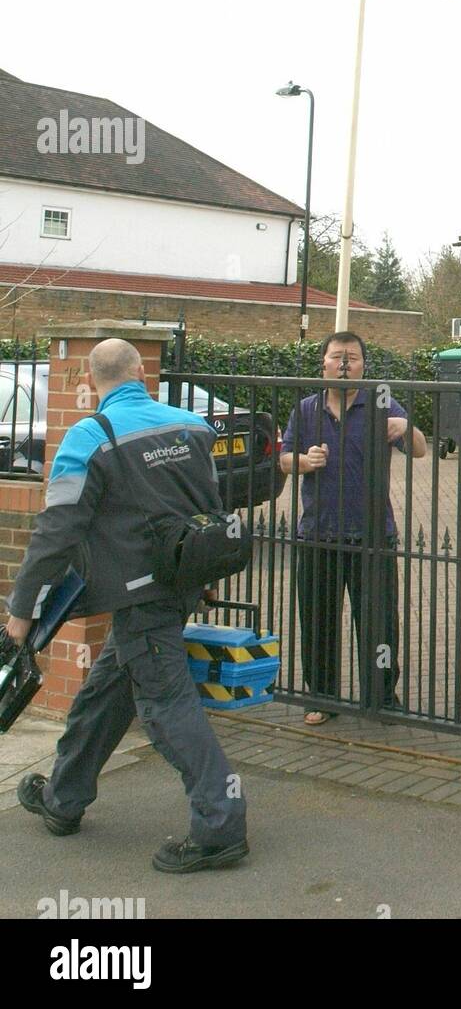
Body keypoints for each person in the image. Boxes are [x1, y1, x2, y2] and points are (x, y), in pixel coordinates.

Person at [2, 338, 249, 873]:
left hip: (140, 597)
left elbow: (56, 531)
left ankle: (220, 827)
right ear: (141, 372)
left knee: (166, 709)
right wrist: (203, 578)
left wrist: (22, 608)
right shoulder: (189, 427)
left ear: (90, 383)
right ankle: (63, 799)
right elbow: (208, 507)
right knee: (105, 693)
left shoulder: (89, 438)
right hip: (176, 586)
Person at [279, 330, 426, 725]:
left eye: (353, 357)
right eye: (337, 356)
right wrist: (304, 461)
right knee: (318, 620)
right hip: (319, 533)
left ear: (363, 364)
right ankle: (321, 697)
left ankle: (381, 698)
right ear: (324, 362)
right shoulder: (307, 409)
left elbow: (419, 447)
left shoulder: (381, 402)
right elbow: (283, 459)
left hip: (373, 534)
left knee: (378, 623)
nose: (345, 363)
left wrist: (404, 428)